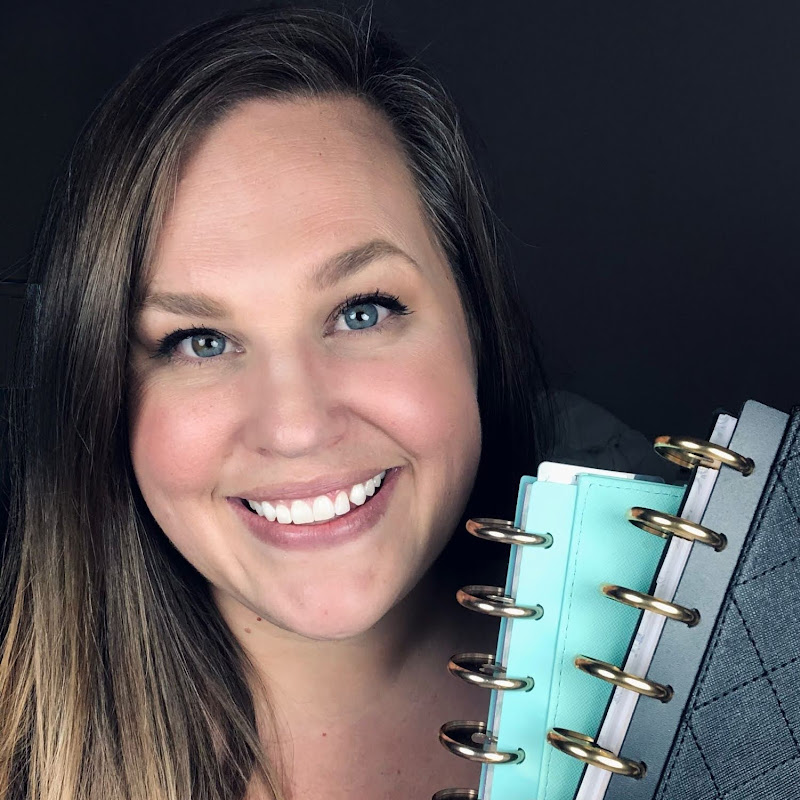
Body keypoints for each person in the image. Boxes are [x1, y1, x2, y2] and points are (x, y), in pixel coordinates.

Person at [0, 5, 561, 799]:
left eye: (362, 311)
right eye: (200, 341)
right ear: (103, 395)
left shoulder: (664, 679)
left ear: (474, 322)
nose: (297, 427)